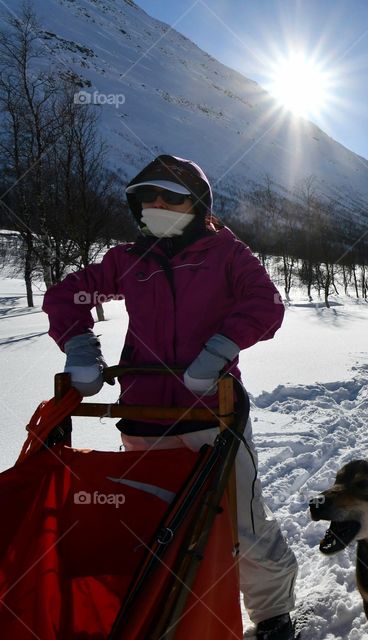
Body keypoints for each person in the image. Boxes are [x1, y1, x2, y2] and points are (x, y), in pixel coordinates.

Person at [42, 154, 298, 640]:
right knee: (153, 526)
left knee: (242, 526)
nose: (159, 205)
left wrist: (221, 348)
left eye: (172, 197)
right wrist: (79, 344)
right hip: (144, 418)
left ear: (196, 203)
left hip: (214, 414)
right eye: (149, 197)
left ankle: (272, 616)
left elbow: (265, 302)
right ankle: (166, 616)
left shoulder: (226, 252)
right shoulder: (127, 259)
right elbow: (67, 295)